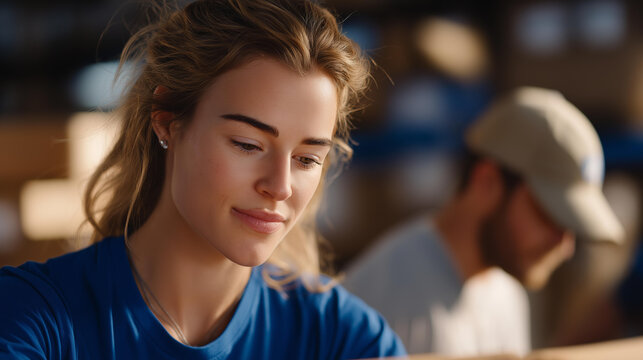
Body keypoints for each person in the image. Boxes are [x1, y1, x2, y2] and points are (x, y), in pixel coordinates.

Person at [0, 0, 406, 359]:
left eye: (306, 158)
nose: (279, 186)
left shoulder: (344, 338)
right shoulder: (32, 319)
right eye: (247, 144)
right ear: (167, 122)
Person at [343, 87, 624, 356]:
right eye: (551, 214)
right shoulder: (387, 306)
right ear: (486, 182)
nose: (564, 246)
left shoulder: (506, 291)